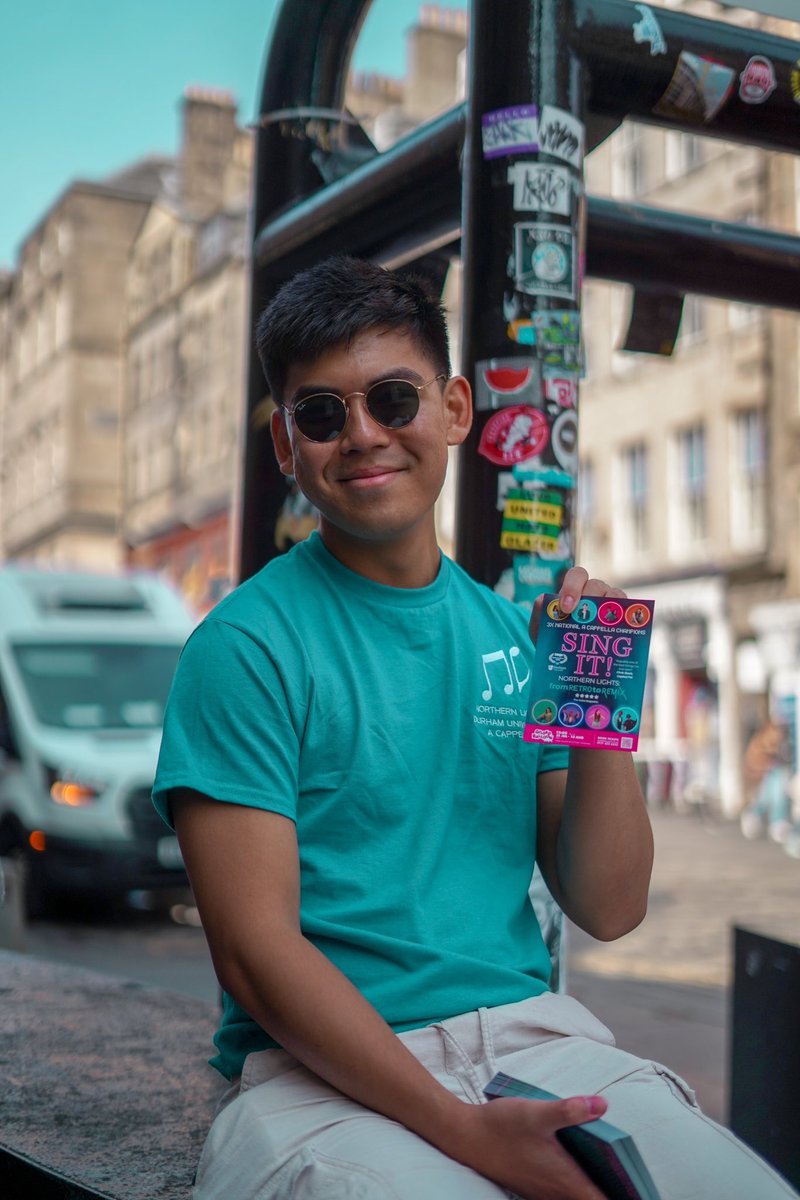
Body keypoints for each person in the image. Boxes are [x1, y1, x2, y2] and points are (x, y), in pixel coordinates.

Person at [153, 257, 797, 1200]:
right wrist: (467, 1135)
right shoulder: (243, 647)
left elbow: (609, 906)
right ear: (287, 450)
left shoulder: (507, 633)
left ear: (455, 410)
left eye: (393, 398)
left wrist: (594, 705)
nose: (364, 435)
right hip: (317, 1078)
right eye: (322, 415)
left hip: (533, 1040)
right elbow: (257, 953)